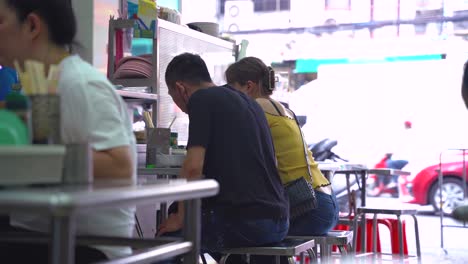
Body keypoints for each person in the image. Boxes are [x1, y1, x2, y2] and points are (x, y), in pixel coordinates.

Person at [0, 0, 136, 263]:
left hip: (85, 247)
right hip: (39, 233)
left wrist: (34, 160)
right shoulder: (38, 86)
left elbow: (119, 164)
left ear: (31, 25)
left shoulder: (79, 83)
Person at [157, 53, 289, 263]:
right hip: (279, 220)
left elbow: (192, 168)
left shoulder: (201, 99)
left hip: (248, 224)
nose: (180, 108)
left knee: (166, 241)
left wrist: (181, 218)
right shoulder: (248, 101)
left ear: (181, 88)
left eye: (174, 97)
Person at [225, 56, 339, 236]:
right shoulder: (282, 109)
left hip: (308, 208)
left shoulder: (255, 108)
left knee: (227, 233)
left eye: (233, 89)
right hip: (324, 201)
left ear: (248, 86)